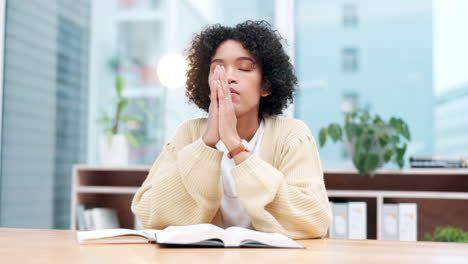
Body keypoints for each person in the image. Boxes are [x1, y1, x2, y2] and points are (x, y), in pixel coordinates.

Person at [131, 20, 332, 239]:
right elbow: (150, 215)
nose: (228, 77)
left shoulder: (292, 135)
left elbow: (314, 221)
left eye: (244, 68)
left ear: (265, 85)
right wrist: (206, 143)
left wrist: (235, 146)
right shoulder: (187, 134)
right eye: (217, 69)